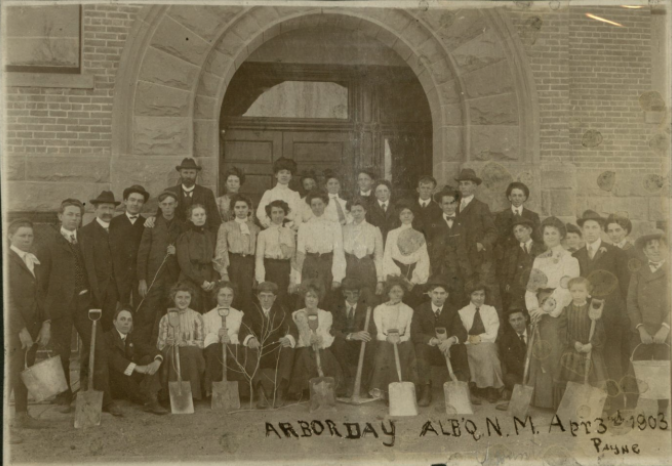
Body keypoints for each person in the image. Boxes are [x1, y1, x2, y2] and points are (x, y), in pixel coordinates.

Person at [39, 199, 120, 415]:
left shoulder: (85, 239)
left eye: (78, 215)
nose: (75, 218)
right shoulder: (49, 243)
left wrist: (97, 299)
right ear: (60, 216)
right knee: (61, 352)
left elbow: (97, 270)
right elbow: (42, 283)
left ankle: (106, 400)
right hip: (60, 306)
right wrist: (46, 315)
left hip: (86, 304)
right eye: (70, 214)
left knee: (98, 349)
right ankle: (63, 396)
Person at [573, 209, 630, 411]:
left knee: (612, 360)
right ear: (582, 230)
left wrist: (613, 310)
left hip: (612, 317)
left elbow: (625, 288)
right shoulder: (576, 256)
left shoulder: (615, 253)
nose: (590, 231)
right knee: (591, 362)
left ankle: (616, 407)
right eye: (586, 227)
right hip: (586, 318)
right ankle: (594, 406)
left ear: (600, 230)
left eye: (594, 227)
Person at [525, 216, 580, 409]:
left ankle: (556, 402)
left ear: (562, 235)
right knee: (539, 351)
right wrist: (533, 309)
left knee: (554, 351)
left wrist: (544, 309)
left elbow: (565, 290)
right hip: (538, 309)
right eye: (546, 233)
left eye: (554, 233)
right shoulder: (539, 260)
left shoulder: (569, 260)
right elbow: (531, 288)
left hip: (556, 311)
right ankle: (540, 399)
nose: (549, 236)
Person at [7, 219, 52, 428]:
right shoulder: (8, 260)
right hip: (15, 327)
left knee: (26, 368)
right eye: (22, 236)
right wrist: (21, 330)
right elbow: (7, 300)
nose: (27, 239)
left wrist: (46, 323)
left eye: (30, 236)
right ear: (10, 237)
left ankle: (22, 415)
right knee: (14, 369)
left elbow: (40, 295)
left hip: (34, 325)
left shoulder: (31, 259)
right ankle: (17, 416)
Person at [626, 229, 670, 412]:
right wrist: (640, 328)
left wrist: (666, 328)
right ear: (644, 251)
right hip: (641, 331)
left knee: (663, 370)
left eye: (659, 246)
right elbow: (631, 301)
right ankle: (630, 409)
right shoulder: (638, 272)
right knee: (634, 370)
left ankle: (661, 413)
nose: (655, 249)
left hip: (665, 331)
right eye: (650, 247)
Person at [136, 191, 186, 345]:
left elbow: (187, 252)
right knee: (148, 314)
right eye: (164, 204)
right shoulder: (152, 224)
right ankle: (143, 350)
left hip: (173, 279)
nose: (168, 208)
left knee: (171, 313)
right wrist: (142, 280)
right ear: (159, 205)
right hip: (153, 278)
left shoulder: (183, 226)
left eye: (171, 204)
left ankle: (167, 349)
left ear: (176, 205)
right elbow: (142, 253)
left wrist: (177, 251)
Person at [239, 282, 297, 408]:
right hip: (258, 350)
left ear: (275, 298)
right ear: (258, 297)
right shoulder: (250, 310)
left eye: (269, 296)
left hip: (276, 351)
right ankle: (260, 391)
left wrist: (288, 338)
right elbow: (244, 330)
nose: (266, 299)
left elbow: (291, 328)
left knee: (288, 349)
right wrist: (250, 339)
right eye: (263, 296)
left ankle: (279, 391)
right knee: (247, 350)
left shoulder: (282, 310)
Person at [412, 282, 470, 407]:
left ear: (447, 295)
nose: (438, 296)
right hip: (430, 351)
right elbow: (415, 334)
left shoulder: (452, 310)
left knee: (460, 347)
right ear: (430, 294)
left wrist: (450, 340)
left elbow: (461, 333)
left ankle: (462, 386)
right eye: (435, 293)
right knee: (420, 348)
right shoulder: (420, 309)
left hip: (447, 350)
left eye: (442, 293)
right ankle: (426, 390)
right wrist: (432, 340)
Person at [104, 306, 168, 415]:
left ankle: (151, 399)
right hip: (114, 384)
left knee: (148, 358)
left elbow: (152, 350)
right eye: (122, 319)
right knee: (123, 370)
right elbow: (113, 359)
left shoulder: (132, 338)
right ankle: (146, 398)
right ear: (114, 322)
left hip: (130, 382)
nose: (126, 323)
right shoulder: (106, 338)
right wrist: (136, 367)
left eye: (129, 320)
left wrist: (156, 361)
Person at [455, 168, 501, 310]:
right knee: (460, 294)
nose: (463, 187)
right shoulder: (452, 205)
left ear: (474, 186)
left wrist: (482, 243)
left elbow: (493, 232)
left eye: (467, 183)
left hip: (478, 259)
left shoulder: (481, 207)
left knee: (482, 294)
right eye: (461, 184)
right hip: (458, 258)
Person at [289, 281, 343, 399]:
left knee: (325, 354)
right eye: (309, 296)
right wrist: (311, 338)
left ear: (319, 299)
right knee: (305, 354)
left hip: (321, 346)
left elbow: (325, 332)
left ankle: (323, 387)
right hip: (304, 347)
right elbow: (304, 337)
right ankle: (304, 388)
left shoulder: (326, 315)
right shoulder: (298, 314)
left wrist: (320, 338)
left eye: (315, 297)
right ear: (304, 297)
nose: (311, 300)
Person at [79, 191, 124, 332]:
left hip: (113, 290)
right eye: (104, 208)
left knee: (107, 327)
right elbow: (86, 265)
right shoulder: (85, 232)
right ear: (95, 209)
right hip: (93, 290)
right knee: (91, 332)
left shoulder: (118, 231)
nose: (108, 212)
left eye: (111, 208)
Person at [557, 277, 608, 399]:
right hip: (572, 351)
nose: (577, 294)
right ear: (570, 292)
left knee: (594, 379)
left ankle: (591, 408)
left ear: (588, 293)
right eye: (574, 291)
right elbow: (562, 331)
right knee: (572, 379)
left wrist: (591, 344)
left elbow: (599, 331)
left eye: (581, 291)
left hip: (590, 350)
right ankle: (570, 408)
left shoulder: (593, 309)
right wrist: (574, 343)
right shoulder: (566, 310)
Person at [368, 277, 418, 401]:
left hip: (402, 340)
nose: (396, 294)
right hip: (384, 340)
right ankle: (380, 388)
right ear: (388, 293)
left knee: (407, 346)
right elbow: (379, 333)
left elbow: (408, 334)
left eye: (399, 291)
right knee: (385, 349)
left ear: (404, 293)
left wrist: (399, 340)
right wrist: (388, 338)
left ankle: (402, 389)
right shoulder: (379, 309)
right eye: (393, 291)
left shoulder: (409, 310)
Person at [156, 282, 206, 402]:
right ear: (173, 298)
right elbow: (159, 344)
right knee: (171, 353)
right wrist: (167, 341)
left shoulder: (197, 316)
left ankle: (191, 395)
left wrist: (186, 342)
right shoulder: (165, 318)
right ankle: (171, 395)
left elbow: (201, 343)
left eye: (187, 297)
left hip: (191, 351)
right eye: (179, 297)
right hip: (172, 350)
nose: (183, 300)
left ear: (191, 299)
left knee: (189, 351)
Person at [425, 187, 473, 308]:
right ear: (440, 205)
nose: (449, 206)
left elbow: (471, 247)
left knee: (459, 304)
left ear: (457, 204)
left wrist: (468, 274)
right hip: (440, 273)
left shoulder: (466, 223)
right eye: (446, 203)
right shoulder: (432, 224)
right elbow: (428, 249)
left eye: (452, 203)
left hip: (460, 273)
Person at [458, 283, 504, 404]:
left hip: (488, 344)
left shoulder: (491, 310)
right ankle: (475, 386)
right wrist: (475, 339)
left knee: (488, 350)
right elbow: (462, 335)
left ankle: (491, 388)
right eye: (475, 294)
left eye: (482, 295)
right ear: (469, 295)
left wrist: (474, 339)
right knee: (469, 351)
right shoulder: (462, 312)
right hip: (468, 345)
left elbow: (492, 335)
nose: (479, 298)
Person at [330, 279, 376, 398]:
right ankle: (346, 382)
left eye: (355, 293)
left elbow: (372, 330)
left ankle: (365, 384)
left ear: (360, 293)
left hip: (360, 345)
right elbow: (333, 330)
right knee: (337, 343)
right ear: (344, 292)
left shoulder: (366, 308)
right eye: (349, 293)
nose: (352, 297)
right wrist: (351, 336)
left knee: (371, 344)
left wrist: (365, 335)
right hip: (344, 344)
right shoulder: (336, 307)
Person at [213, 194, 260, 310]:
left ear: (249, 209)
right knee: (232, 294)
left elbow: (258, 253)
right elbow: (221, 249)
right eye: (237, 207)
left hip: (249, 264)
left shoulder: (255, 228)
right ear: (233, 209)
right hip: (232, 263)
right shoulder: (225, 227)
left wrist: (257, 273)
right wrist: (223, 272)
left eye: (243, 207)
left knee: (247, 296)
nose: (241, 210)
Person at [296, 190, 346, 295]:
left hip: (326, 266)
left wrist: (337, 277)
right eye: (314, 205)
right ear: (310, 206)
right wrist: (297, 279)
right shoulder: (304, 226)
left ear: (325, 204)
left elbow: (338, 252)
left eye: (320, 204)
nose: (317, 207)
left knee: (325, 298)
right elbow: (300, 253)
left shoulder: (334, 225)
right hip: (309, 266)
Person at [202, 282, 246, 399]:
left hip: (232, 344)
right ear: (216, 296)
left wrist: (230, 338)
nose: (226, 298)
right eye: (222, 295)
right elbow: (205, 335)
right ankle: (211, 390)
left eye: (229, 295)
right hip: (214, 346)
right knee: (213, 351)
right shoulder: (207, 316)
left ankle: (236, 392)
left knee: (235, 351)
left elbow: (241, 334)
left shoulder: (239, 315)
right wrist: (218, 335)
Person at [382, 199, 430, 306]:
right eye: (403, 213)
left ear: (413, 216)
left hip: (413, 274)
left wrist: (413, 281)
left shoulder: (420, 235)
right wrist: (400, 276)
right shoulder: (392, 234)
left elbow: (424, 258)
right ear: (399, 217)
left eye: (409, 213)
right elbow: (387, 256)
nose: (406, 216)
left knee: (412, 303)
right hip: (396, 273)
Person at [152, 158, 220, 232]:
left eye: (191, 173)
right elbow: (160, 215)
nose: (188, 176)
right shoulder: (170, 191)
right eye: (185, 172)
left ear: (196, 173)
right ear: (180, 173)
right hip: (175, 233)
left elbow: (215, 219)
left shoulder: (206, 193)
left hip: (199, 234)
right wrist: (151, 219)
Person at [110, 184, 149, 307]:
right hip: (118, 276)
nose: (135, 204)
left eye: (139, 201)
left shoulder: (147, 224)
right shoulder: (113, 223)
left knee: (140, 308)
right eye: (132, 200)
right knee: (118, 309)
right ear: (125, 201)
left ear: (143, 204)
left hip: (140, 276)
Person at [498, 216, 545, 313]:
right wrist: (508, 286)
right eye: (515, 231)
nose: (518, 234)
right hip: (516, 292)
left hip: (536, 290)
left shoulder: (541, 249)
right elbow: (504, 272)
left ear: (529, 230)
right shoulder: (511, 252)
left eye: (521, 230)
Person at [176, 204, 219, 312]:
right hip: (190, 279)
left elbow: (216, 260)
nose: (200, 217)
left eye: (202, 214)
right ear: (190, 218)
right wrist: (201, 281)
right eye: (196, 215)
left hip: (209, 281)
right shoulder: (184, 237)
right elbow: (184, 263)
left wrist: (214, 280)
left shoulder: (212, 236)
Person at [255, 200, 296, 307]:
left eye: (280, 212)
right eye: (274, 212)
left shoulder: (291, 233)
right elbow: (259, 258)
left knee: (284, 300)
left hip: (285, 270)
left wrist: (293, 281)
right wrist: (261, 280)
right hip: (270, 269)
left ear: (285, 213)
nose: (278, 215)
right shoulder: (263, 234)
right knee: (269, 300)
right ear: (269, 215)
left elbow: (293, 259)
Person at [342, 198, 384, 295]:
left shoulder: (374, 230)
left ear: (365, 211)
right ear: (350, 213)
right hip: (350, 267)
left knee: (367, 296)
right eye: (354, 211)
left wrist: (380, 280)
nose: (357, 213)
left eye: (359, 210)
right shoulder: (344, 229)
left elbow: (379, 256)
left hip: (367, 268)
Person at [496, 307, 531, 410]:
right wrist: (525, 373)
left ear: (526, 318)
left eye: (519, 319)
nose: (517, 323)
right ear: (509, 322)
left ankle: (515, 395)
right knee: (509, 379)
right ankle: (520, 395)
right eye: (513, 320)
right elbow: (511, 362)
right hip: (518, 374)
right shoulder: (506, 339)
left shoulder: (534, 333)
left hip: (535, 373)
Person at [494, 181, 541, 255]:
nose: (517, 199)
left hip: (527, 254)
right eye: (514, 195)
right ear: (509, 197)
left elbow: (538, 238)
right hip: (507, 255)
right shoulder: (501, 216)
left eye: (520, 196)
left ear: (524, 198)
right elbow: (497, 239)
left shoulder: (533, 216)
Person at [256, 157, 303, 229]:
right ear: (276, 175)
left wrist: (293, 228)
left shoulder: (295, 195)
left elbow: (299, 214)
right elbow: (260, 213)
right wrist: (271, 226)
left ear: (291, 176)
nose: (284, 175)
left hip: (290, 229)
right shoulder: (269, 193)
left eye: (288, 173)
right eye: (281, 172)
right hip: (272, 228)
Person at [366, 179, 398, 245]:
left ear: (389, 193)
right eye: (379, 191)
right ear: (375, 194)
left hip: (392, 243)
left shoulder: (396, 208)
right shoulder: (369, 209)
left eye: (385, 191)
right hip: (376, 243)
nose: (382, 193)